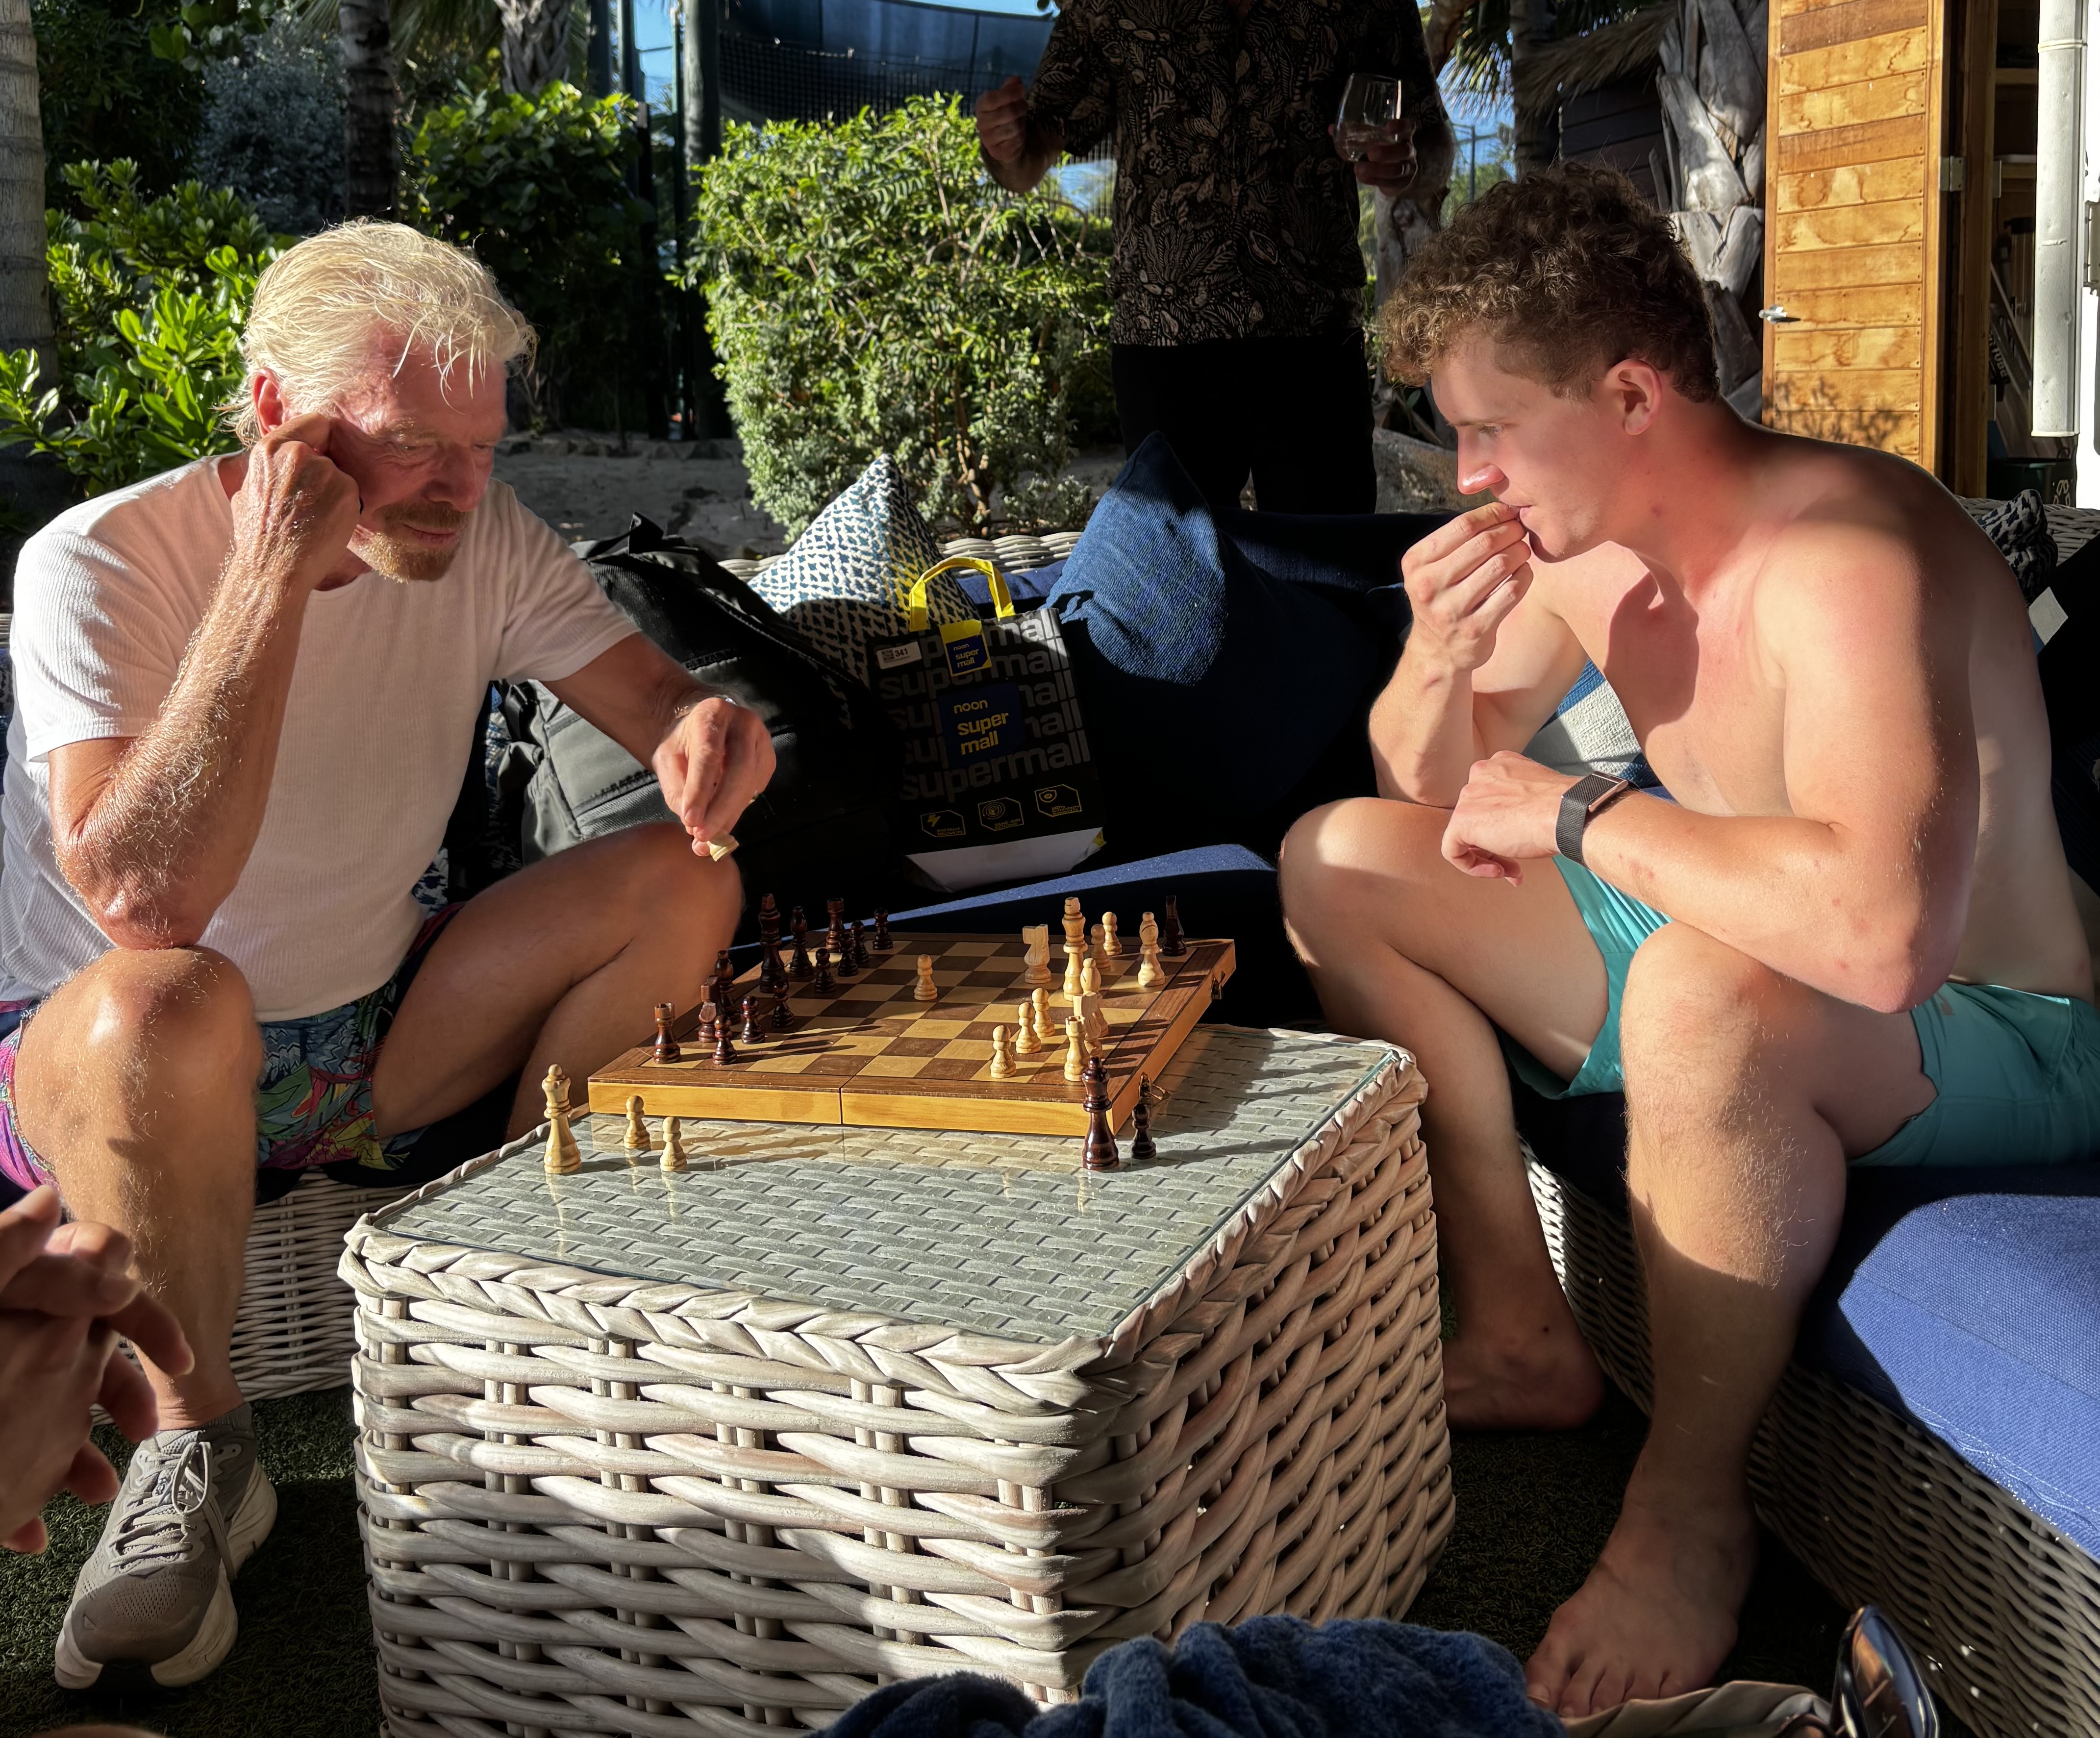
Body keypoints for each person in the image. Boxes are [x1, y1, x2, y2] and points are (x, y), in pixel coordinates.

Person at [1278, 165, 2098, 1717]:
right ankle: (1522, 1325)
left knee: (1701, 983)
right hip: (1745, 928)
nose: (1467, 473)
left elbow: (1875, 940)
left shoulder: (1847, 562)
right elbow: (1430, 792)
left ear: (1634, 395)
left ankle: (1686, 1514)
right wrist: (1435, 662)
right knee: (1337, 858)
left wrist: (1589, 818)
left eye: (1491, 430)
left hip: (2002, 1017)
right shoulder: (1591, 560)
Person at [0, 221, 775, 1689]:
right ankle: (200, 1450)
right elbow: (141, 895)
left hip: (371, 1037)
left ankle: (523, 1302)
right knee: (170, 993)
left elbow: (663, 700)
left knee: (681, 883)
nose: (463, 490)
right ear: (278, 413)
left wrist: (709, 735)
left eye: (485, 446)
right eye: (416, 445)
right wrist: (271, 579)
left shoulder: (484, 537)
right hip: (111, 1065)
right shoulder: (97, 562)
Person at [974, 0, 1447, 516]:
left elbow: (1434, 144)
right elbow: (1029, 160)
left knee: (1330, 574)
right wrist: (1005, 146)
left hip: (1313, 336)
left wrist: (1408, 166)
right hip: (1162, 339)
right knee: (1177, 578)